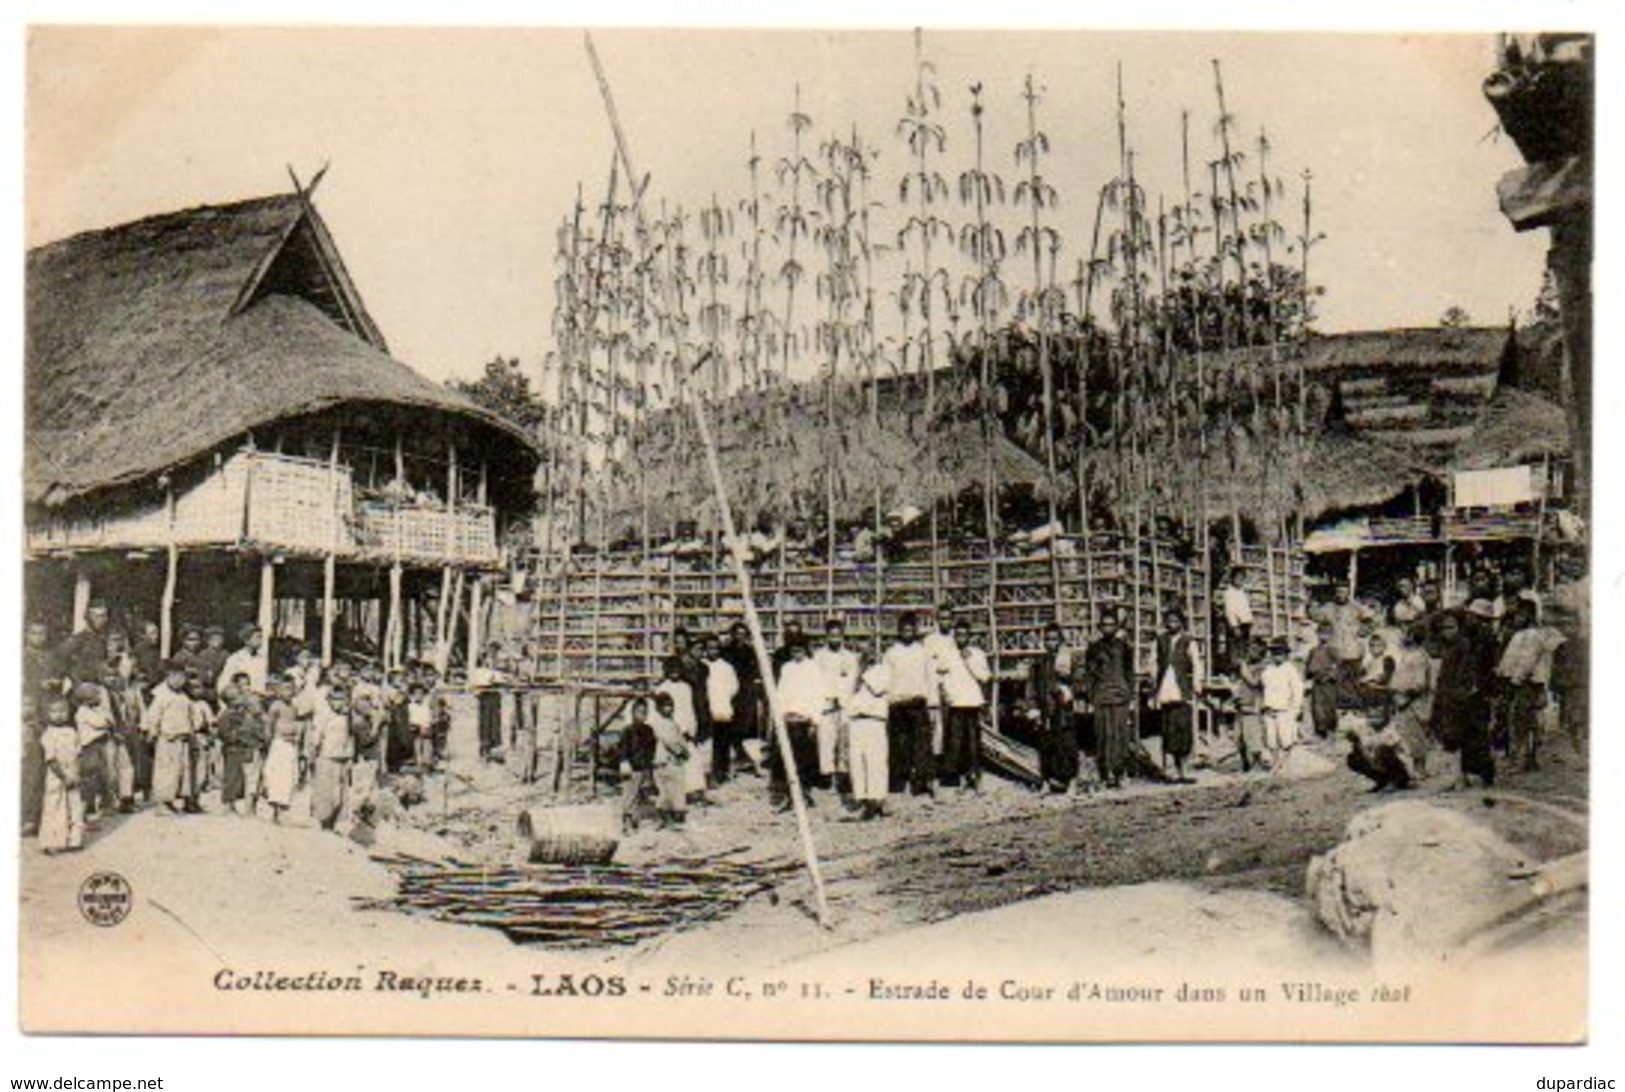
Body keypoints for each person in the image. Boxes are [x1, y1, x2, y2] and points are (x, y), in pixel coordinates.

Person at [1495, 598, 1564, 772]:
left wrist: (1515, 680)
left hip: (1525, 684)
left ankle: (1521, 761)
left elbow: (1527, 661)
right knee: (1529, 721)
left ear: (1528, 615)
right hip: (1526, 682)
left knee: (1521, 722)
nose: (1515, 618)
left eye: (1519, 614)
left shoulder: (1530, 635)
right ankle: (1530, 759)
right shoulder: (1526, 634)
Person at [1431, 612, 1495, 789]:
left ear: (1459, 628)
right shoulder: (1449, 647)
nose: (1447, 632)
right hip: (1450, 698)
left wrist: (1459, 694)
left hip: (1463, 701)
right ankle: (1461, 777)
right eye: (1443, 628)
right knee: (1454, 738)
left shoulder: (1464, 647)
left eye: (1451, 627)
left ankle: (1476, 777)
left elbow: (1468, 676)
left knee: (1468, 738)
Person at [882, 613, 935, 796]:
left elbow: (930, 678)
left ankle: (920, 783)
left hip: (917, 703)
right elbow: (885, 680)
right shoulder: (891, 653)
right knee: (897, 745)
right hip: (897, 704)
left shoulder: (922, 652)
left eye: (911, 630)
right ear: (899, 631)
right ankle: (897, 782)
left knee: (921, 745)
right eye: (904, 630)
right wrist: (887, 703)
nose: (907, 633)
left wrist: (932, 703)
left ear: (915, 631)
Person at [774, 640, 830, 809]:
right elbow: (781, 693)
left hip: (805, 720)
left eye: (799, 650)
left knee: (804, 760)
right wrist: (779, 717)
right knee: (787, 759)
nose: (796, 654)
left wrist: (815, 720)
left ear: (805, 650)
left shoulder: (812, 668)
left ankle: (804, 793)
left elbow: (818, 695)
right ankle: (790, 795)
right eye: (793, 651)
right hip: (788, 719)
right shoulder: (786, 668)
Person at [1084, 610, 1137, 789]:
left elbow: (1129, 672)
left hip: (1120, 696)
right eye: (1104, 625)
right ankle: (1105, 774)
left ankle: (1120, 772)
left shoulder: (1124, 647)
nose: (1108, 628)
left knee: (1120, 736)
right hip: (1101, 696)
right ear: (1100, 627)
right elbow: (1089, 674)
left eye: (1111, 625)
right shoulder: (1094, 648)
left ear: (1116, 627)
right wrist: (1091, 696)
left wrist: (1129, 693)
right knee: (1102, 737)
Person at [1150, 609, 1203, 783]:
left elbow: (1196, 663)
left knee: (1184, 730)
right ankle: (1171, 769)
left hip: (1182, 689)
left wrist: (1197, 684)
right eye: (1169, 621)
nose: (1172, 624)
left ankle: (1184, 770)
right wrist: (1153, 684)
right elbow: (1154, 663)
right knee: (1169, 729)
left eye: (1175, 621)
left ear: (1181, 623)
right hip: (1165, 689)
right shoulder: (1160, 641)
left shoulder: (1189, 641)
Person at [1026, 623, 1078, 794]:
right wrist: (1033, 707)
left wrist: (1068, 690)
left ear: (1060, 640)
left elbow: (1076, 682)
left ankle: (1071, 782)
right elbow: (1032, 686)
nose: (1051, 643)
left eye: (1054, 639)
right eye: (1048, 639)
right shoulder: (1038, 663)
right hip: (1045, 710)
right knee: (1045, 747)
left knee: (1066, 746)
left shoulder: (1067, 660)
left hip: (1063, 711)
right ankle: (1046, 781)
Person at [939, 619, 990, 790]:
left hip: (973, 703)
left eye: (964, 635)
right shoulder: (948, 653)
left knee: (973, 743)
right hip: (956, 704)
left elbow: (984, 677)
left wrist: (970, 660)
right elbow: (941, 676)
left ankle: (974, 776)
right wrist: (948, 695)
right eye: (958, 635)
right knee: (954, 742)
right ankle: (952, 778)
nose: (961, 638)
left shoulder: (977, 653)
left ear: (969, 636)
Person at [143, 661, 200, 814]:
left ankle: (179, 799)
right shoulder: (160, 695)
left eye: (182, 677)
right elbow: (153, 717)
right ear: (168, 676)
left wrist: (192, 732)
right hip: (168, 739)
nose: (179, 681)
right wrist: (152, 734)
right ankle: (163, 802)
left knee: (182, 771)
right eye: (175, 677)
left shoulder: (183, 696)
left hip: (183, 738)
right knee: (166, 771)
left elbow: (191, 715)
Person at [812, 618, 859, 790]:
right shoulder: (819, 657)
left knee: (844, 741)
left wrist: (842, 697)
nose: (835, 639)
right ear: (826, 636)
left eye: (838, 636)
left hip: (844, 704)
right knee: (826, 741)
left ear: (843, 636)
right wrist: (827, 697)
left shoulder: (850, 657)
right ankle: (827, 778)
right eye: (831, 636)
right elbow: (816, 681)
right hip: (825, 704)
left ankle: (843, 778)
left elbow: (851, 680)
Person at [38, 695, 84, 854]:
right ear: (47, 714)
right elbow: (50, 760)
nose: (60, 714)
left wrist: (76, 773)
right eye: (55, 711)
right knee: (54, 806)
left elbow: (78, 754)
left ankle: (74, 839)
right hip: (57, 777)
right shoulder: (48, 735)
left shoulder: (72, 731)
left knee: (75, 807)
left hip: (72, 773)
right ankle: (52, 842)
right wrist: (64, 777)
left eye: (63, 710)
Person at [654, 657, 705, 804]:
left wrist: (690, 729)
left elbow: (689, 710)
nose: (674, 673)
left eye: (677, 670)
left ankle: (693, 790)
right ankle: (674, 793)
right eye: (671, 670)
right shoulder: (662, 688)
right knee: (672, 764)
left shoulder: (686, 687)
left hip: (685, 729)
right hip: (670, 730)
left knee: (691, 759)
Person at [217, 672, 269, 817]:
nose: (243, 691)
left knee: (243, 778)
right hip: (233, 748)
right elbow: (224, 732)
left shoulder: (247, 708)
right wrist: (237, 736)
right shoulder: (227, 714)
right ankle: (228, 805)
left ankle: (243, 807)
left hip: (246, 747)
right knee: (231, 776)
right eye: (239, 693)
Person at [845, 659, 891, 819]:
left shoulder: (883, 669)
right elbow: (846, 695)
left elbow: (878, 689)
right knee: (857, 762)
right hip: (855, 721)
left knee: (875, 762)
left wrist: (862, 673)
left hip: (874, 720)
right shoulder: (853, 671)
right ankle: (862, 800)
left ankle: (877, 800)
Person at [310, 685, 355, 831]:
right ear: (329, 700)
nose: (338, 702)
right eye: (335, 699)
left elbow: (349, 738)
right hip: (326, 757)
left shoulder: (346, 717)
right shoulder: (323, 716)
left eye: (341, 699)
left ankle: (333, 823)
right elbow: (316, 738)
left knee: (339, 793)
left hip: (341, 758)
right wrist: (313, 756)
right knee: (325, 793)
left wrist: (349, 757)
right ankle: (324, 823)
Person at [72, 680, 117, 825]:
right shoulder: (83, 712)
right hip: (90, 747)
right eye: (97, 696)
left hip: (98, 746)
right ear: (88, 699)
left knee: (102, 775)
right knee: (91, 777)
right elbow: (103, 722)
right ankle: (88, 810)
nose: (100, 699)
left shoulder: (91, 711)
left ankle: (102, 804)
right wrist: (107, 721)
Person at [700, 636, 741, 785]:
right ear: (706, 649)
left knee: (722, 743)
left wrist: (723, 696)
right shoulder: (702, 665)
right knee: (708, 744)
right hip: (706, 709)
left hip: (722, 708)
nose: (713, 651)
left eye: (716, 648)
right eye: (710, 648)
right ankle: (708, 774)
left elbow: (734, 687)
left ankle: (722, 772)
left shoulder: (726, 667)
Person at [261, 676, 302, 823]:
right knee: (276, 776)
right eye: (285, 689)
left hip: (290, 744)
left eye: (291, 689)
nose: (288, 692)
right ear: (278, 691)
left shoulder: (294, 707)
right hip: (278, 743)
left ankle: (282, 809)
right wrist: (269, 740)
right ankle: (274, 809)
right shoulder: (276, 706)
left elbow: (295, 723)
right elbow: (269, 725)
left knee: (287, 777)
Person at [1259, 639, 1305, 768]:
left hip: (1284, 709)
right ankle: (1275, 762)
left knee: (1285, 738)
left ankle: (1286, 764)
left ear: (1285, 655)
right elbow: (1263, 686)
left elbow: (1297, 689)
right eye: (1274, 653)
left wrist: (1296, 707)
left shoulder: (1290, 669)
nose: (1277, 656)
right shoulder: (1268, 669)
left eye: (1280, 653)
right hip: (1269, 706)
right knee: (1271, 739)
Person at [648, 692, 689, 828]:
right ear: (658, 708)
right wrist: (680, 751)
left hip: (674, 761)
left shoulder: (672, 722)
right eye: (665, 706)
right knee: (664, 789)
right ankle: (663, 817)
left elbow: (679, 738)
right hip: (664, 760)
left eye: (671, 706)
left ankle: (676, 813)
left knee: (676, 787)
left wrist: (685, 749)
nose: (669, 709)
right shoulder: (658, 723)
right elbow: (669, 741)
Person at [620, 697, 658, 832]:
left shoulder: (649, 730)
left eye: (644, 712)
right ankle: (627, 822)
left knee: (640, 795)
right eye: (639, 712)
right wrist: (624, 763)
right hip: (631, 767)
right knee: (629, 795)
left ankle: (635, 822)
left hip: (644, 767)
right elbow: (623, 749)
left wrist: (651, 765)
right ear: (633, 713)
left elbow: (652, 748)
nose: (642, 715)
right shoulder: (628, 730)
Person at [1326, 584, 1368, 708]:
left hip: (1352, 648)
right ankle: (1340, 703)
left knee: (1353, 677)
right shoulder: (1329, 607)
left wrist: (1363, 631)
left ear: (1348, 593)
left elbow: (1371, 619)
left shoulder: (1356, 607)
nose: (1341, 595)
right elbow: (1318, 618)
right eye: (1338, 592)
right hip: (1335, 647)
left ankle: (1355, 703)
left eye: (1344, 592)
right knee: (1338, 677)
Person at [1304, 622, 1340, 740]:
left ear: (1331, 635)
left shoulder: (1333, 650)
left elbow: (1338, 666)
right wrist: (1309, 676)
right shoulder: (1313, 650)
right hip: (1317, 682)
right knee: (1317, 707)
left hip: (1329, 683)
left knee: (1329, 706)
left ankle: (1331, 729)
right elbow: (1308, 667)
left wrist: (1330, 675)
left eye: (1327, 634)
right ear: (1317, 634)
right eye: (1321, 633)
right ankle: (1320, 731)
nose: (1324, 636)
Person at [217, 625, 268, 697]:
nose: (261, 640)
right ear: (247, 640)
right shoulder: (236, 659)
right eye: (258, 637)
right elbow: (223, 683)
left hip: (259, 699)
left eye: (261, 637)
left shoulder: (261, 659)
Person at [1221, 568, 1254, 672]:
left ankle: (1243, 670)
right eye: (1237, 578)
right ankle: (1233, 671)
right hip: (1237, 625)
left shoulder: (1242, 593)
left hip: (1245, 624)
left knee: (1244, 649)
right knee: (1234, 649)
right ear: (1232, 579)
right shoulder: (1229, 593)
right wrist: (1234, 626)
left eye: (1242, 578)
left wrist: (1250, 620)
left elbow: (1246, 609)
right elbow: (1229, 611)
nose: (1240, 580)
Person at [406, 683, 436, 772]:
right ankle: (419, 763)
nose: (419, 696)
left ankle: (427, 763)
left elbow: (429, 717)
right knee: (417, 745)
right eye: (416, 694)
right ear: (412, 695)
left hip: (426, 728)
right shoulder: (411, 706)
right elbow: (411, 719)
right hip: (415, 728)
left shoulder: (426, 705)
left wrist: (427, 726)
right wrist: (417, 727)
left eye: (421, 694)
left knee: (427, 745)